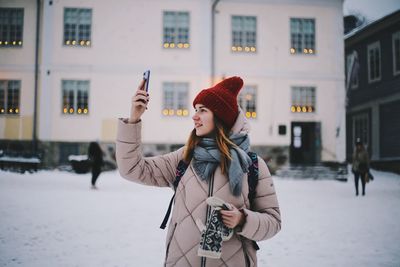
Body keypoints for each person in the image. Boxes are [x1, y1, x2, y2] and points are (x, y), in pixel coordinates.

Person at [116, 76, 281, 266]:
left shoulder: (253, 166)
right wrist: (134, 118)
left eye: (203, 110)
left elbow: (273, 222)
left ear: (221, 117)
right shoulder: (184, 158)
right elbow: (132, 169)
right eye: (196, 110)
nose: (195, 116)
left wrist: (242, 219)